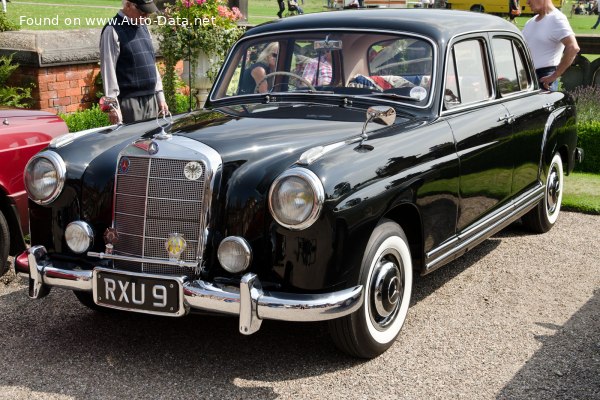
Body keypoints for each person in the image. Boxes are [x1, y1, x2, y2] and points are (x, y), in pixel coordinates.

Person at [100, 0, 169, 124]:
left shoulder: (143, 26)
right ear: (127, 5)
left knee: (153, 141)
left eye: (148, 12)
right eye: (142, 11)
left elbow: (152, 64)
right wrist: (113, 107)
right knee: (134, 142)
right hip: (130, 102)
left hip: (151, 99)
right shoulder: (112, 29)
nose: (146, 16)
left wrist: (160, 96)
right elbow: (108, 69)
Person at [522, 0, 580, 91]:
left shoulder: (556, 18)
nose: (527, 2)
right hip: (527, 77)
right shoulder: (530, 22)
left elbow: (573, 48)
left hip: (544, 78)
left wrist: (554, 76)